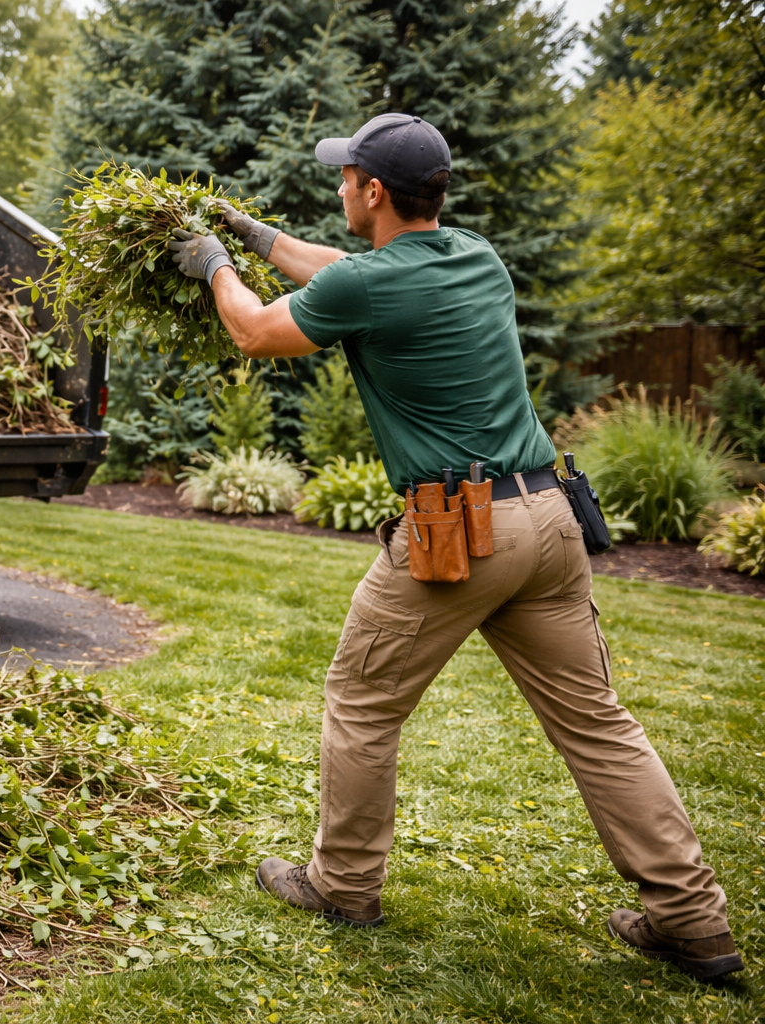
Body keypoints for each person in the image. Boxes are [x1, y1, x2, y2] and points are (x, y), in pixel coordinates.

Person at [164, 112, 743, 981]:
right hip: (550, 519)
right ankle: (696, 921)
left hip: (459, 530)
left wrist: (213, 261)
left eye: (344, 175)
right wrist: (257, 235)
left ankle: (344, 885)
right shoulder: (475, 257)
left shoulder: (372, 285)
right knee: (598, 725)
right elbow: (350, 275)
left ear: (369, 190)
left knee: (361, 703)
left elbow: (255, 330)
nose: (338, 188)